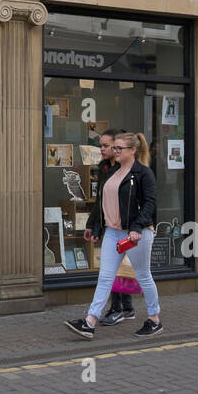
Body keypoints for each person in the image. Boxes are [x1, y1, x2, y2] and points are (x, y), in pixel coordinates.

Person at [65, 131, 163, 339]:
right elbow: (102, 202)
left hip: (136, 234)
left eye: (119, 148)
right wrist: (94, 226)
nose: (114, 151)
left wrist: (137, 227)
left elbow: (150, 204)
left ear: (133, 150)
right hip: (112, 232)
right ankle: (90, 322)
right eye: (114, 148)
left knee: (143, 275)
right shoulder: (112, 172)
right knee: (105, 277)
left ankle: (154, 319)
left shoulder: (143, 173)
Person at [90, 129, 138, 325]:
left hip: (125, 227)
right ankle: (126, 308)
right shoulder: (105, 168)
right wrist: (93, 226)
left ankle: (119, 308)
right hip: (110, 226)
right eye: (100, 145)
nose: (102, 149)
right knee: (117, 267)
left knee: (118, 268)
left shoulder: (127, 170)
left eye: (106, 146)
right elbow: (100, 201)